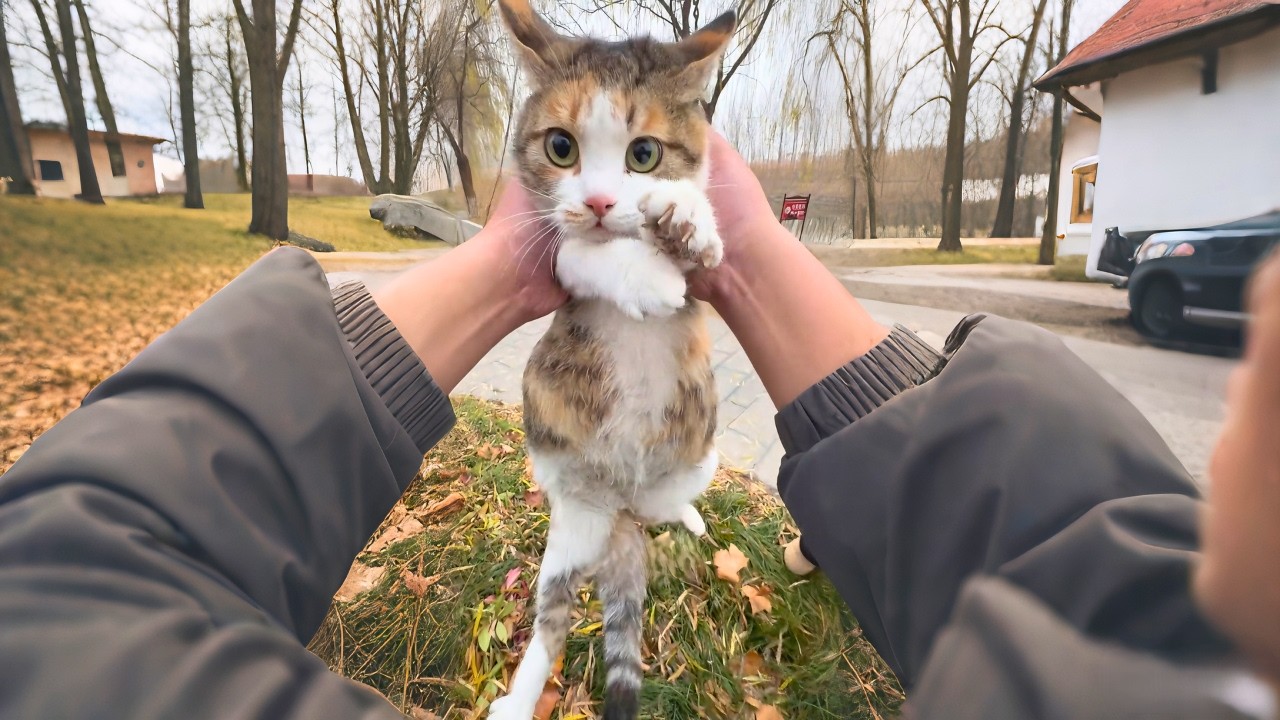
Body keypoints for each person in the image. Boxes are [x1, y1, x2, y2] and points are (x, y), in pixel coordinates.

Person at [0, 131, 1275, 720]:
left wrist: (508, 267)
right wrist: (747, 261)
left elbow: (63, 584)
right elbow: (1100, 574)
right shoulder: (1190, 660)